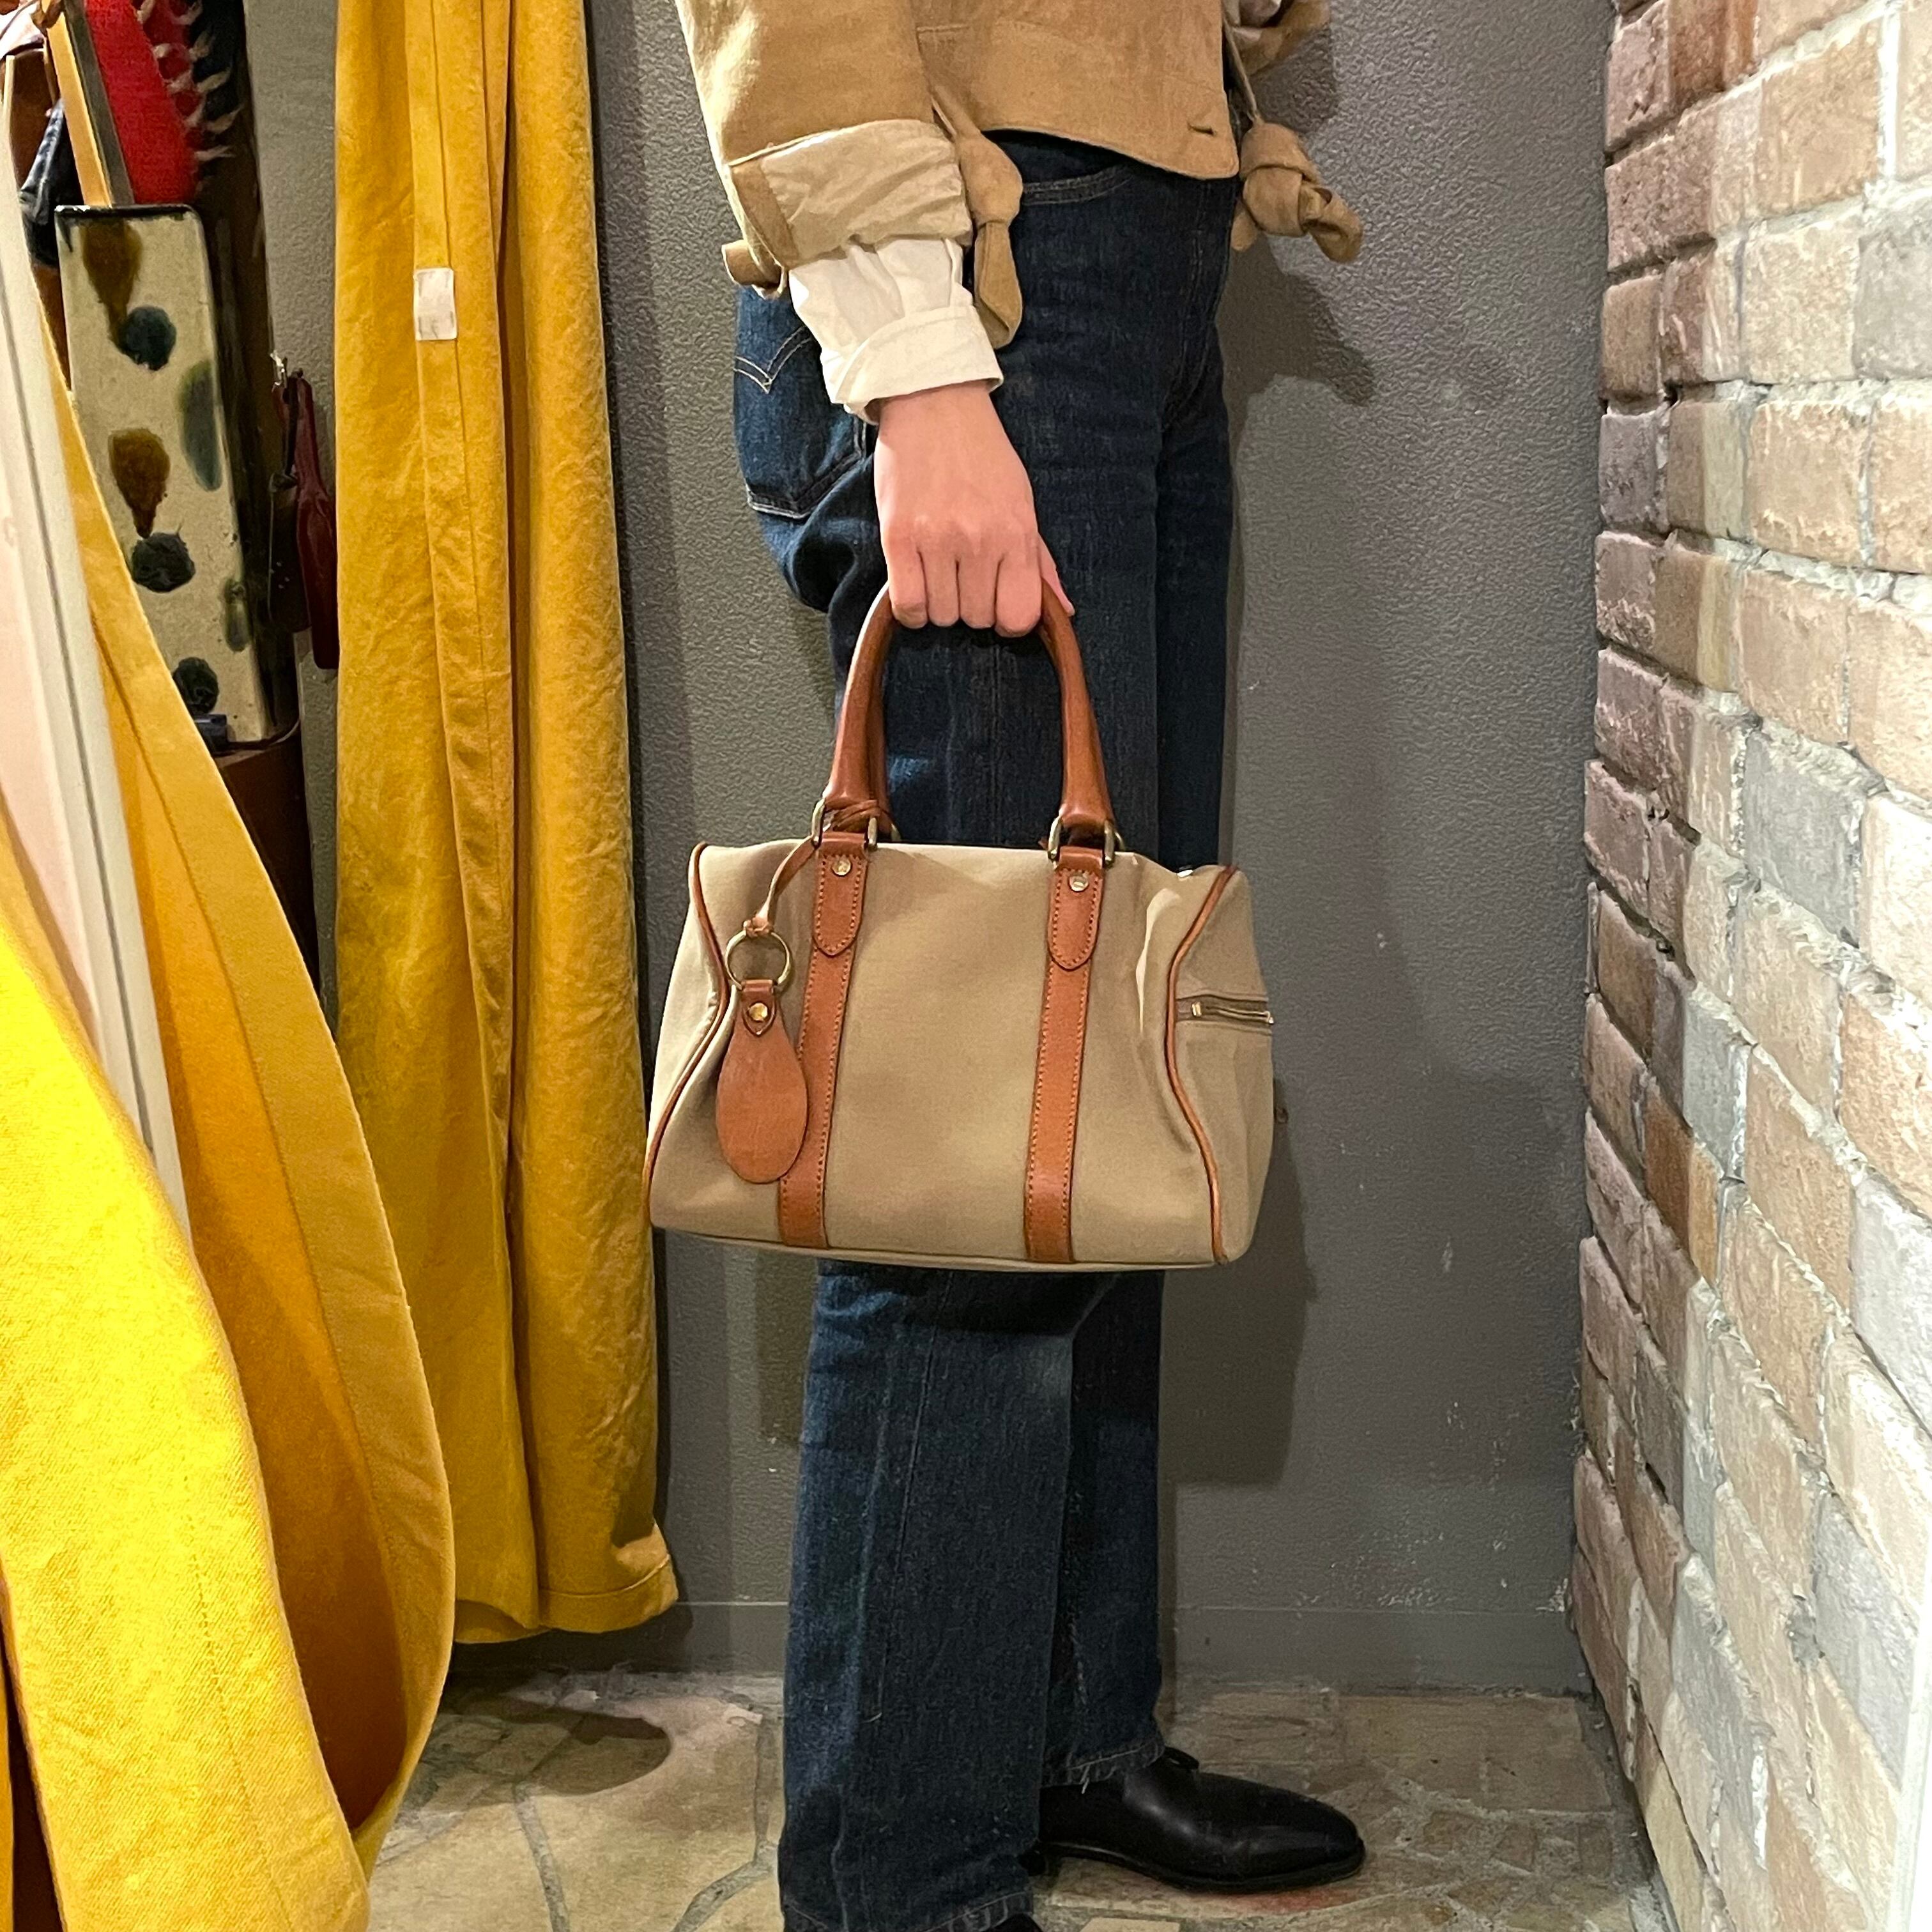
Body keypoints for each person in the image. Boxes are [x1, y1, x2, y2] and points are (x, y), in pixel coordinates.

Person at [670, 7, 1365, 1930]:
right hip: (985, 285)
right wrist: (914, 371)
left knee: (1095, 1097)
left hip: (1129, 275)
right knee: (964, 1164)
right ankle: (903, 1884)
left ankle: (1063, 1734)